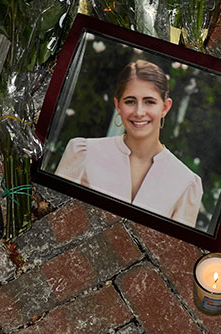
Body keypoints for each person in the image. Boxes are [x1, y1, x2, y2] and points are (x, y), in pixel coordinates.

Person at [55, 60, 203, 226]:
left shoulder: (185, 182)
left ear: (165, 107)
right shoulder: (83, 153)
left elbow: (176, 247)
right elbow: (55, 220)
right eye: (130, 101)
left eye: (150, 102)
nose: (139, 112)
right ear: (118, 105)